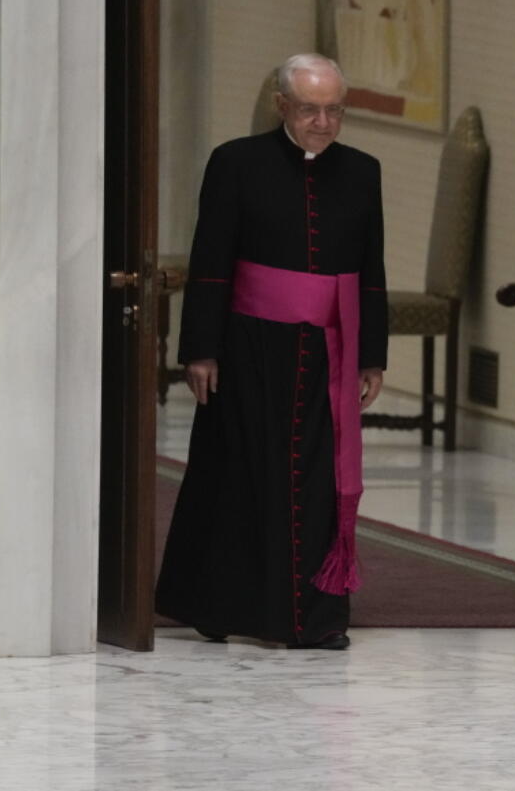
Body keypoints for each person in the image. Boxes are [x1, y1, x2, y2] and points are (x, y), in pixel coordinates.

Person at [156, 53, 387, 651]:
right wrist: (201, 350)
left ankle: (319, 617)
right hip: (248, 348)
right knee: (239, 477)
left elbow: (371, 272)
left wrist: (372, 355)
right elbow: (211, 261)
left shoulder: (363, 172)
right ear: (283, 106)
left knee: (317, 479)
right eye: (310, 109)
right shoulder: (236, 163)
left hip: (328, 353)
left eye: (334, 110)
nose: (323, 122)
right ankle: (224, 606)